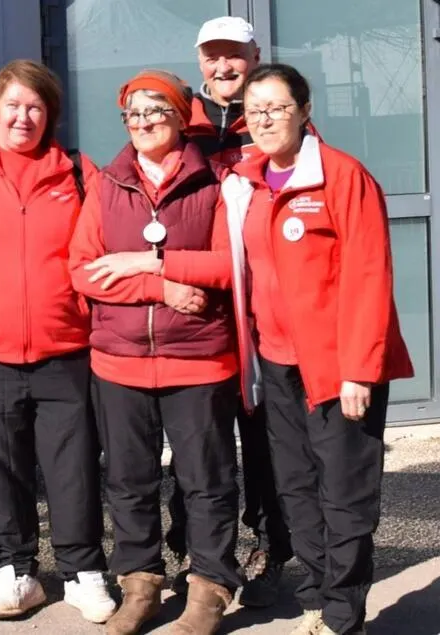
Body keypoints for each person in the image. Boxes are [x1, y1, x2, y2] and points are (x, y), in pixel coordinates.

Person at [229, 63, 412, 635]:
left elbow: (369, 275)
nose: (264, 120)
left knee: (344, 492)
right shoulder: (246, 184)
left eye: (277, 107)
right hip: (276, 361)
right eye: (254, 110)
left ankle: (343, 615)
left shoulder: (342, 176)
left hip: (337, 366)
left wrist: (360, 369)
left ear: (305, 111)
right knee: (296, 488)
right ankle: (316, 596)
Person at [0, 59, 114, 624]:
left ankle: (82, 571)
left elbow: (105, 248)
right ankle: (16, 571)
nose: (23, 117)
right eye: (12, 105)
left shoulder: (78, 172)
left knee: (72, 466)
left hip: (67, 349)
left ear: (50, 115)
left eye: (35, 107)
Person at [69, 70, 243, 635]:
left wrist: (150, 262)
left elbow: (229, 266)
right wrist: (161, 288)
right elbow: (84, 270)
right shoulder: (107, 184)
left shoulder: (216, 181)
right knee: (128, 480)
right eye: (134, 114)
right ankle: (140, 584)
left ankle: (210, 587)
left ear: (180, 118)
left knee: (207, 480)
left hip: (199, 358)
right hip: (119, 360)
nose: (143, 123)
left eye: (156, 111)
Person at [163, 15, 293, 608]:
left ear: (254, 56)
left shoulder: (276, 120)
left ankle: (271, 549)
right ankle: (196, 553)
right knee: (198, 445)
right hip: (198, 309)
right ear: (199, 62)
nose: (223, 67)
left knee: (268, 441)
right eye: (212, 56)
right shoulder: (178, 123)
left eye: (234, 55)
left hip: (262, 309)